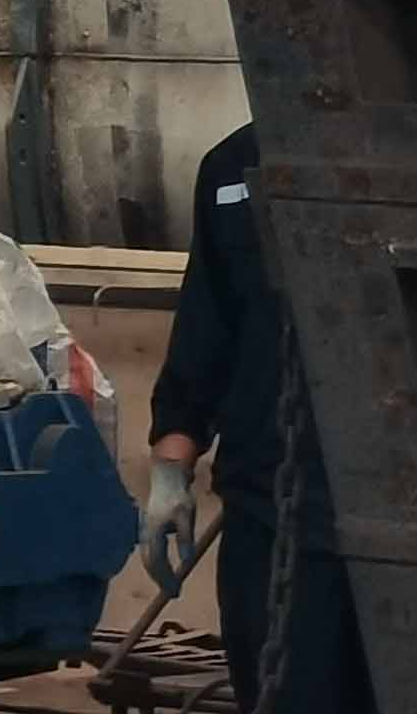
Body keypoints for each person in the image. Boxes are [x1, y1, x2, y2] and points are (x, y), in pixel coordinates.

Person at [144, 120, 369, 713]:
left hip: (406, 518)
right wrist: (170, 474)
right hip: (271, 517)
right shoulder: (230, 167)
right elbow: (205, 330)